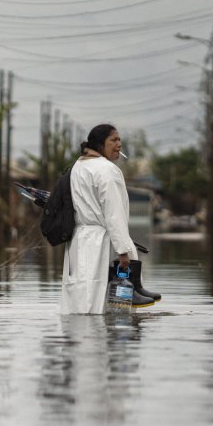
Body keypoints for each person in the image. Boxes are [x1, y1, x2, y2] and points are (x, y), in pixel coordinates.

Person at [58, 124, 154, 314]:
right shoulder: (106, 170)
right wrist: (123, 251)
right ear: (100, 144)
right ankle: (103, 334)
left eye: (119, 140)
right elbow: (113, 213)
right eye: (113, 140)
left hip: (80, 241)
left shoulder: (78, 166)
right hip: (103, 241)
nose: (119, 145)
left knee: (82, 295)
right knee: (109, 302)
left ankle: (82, 337)